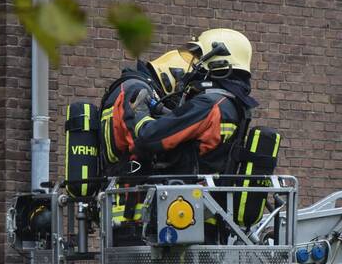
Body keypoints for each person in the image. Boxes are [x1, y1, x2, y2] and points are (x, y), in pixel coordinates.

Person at [123, 28, 256, 175]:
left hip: (184, 192)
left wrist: (140, 111)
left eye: (200, 58)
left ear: (217, 62)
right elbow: (187, 129)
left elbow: (149, 137)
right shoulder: (231, 103)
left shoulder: (209, 104)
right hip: (208, 192)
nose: (195, 65)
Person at [99, 51, 190, 230]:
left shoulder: (125, 87)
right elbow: (144, 136)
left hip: (124, 204)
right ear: (169, 75)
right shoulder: (137, 89)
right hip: (134, 209)